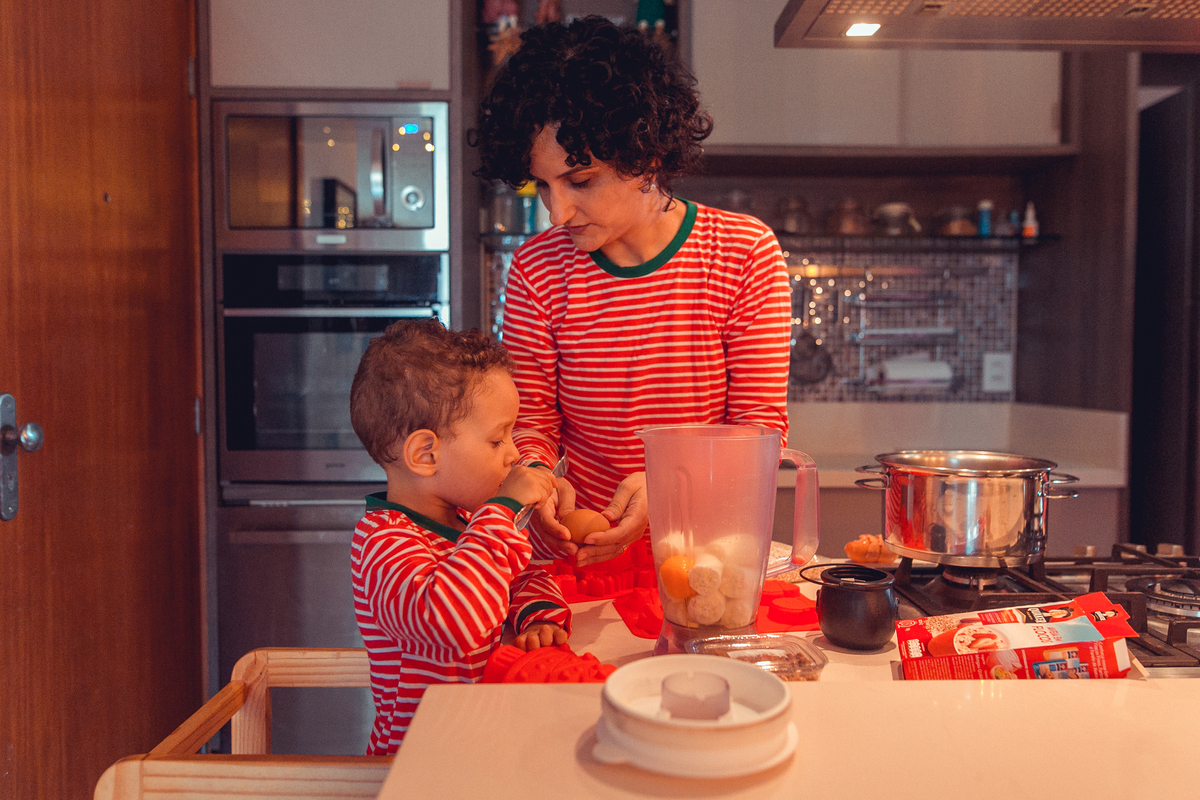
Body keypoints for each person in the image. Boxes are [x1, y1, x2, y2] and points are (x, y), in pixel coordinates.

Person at [472, 16, 792, 566]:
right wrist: (541, 480)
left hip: (706, 554)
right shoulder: (536, 270)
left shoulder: (743, 253)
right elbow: (532, 427)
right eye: (542, 185)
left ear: (645, 156)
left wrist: (670, 487)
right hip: (577, 555)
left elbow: (759, 433)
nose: (557, 214)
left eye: (580, 180)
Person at [348, 318, 571, 754]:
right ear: (425, 454)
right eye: (496, 440)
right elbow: (457, 620)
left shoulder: (468, 520)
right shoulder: (382, 544)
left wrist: (538, 615)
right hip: (419, 765)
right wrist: (503, 509)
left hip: (479, 746)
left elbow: (521, 574)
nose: (514, 453)